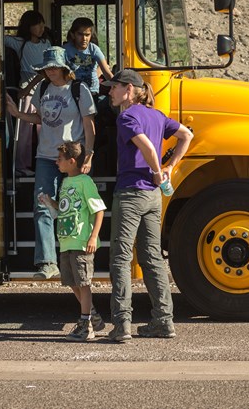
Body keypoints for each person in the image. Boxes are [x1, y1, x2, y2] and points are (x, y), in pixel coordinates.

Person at [101, 69, 193, 342]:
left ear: (128, 89)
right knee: (151, 257)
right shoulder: (156, 115)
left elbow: (148, 149)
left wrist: (156, 169)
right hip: (153, 196)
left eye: (113, 88)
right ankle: (163, 322)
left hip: (130, 193)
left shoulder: (127, 117)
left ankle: (121, 325)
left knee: (120, 258)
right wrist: (169, 169)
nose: (109, 92)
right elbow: (186, 135)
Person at [6, 47, 96, 280]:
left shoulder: (79, 89)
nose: (50, 71)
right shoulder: (43, 88)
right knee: (43, 205)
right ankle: (47, 262)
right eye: (46, 68)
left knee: (74, 206)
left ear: (65, 68)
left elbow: (89, 125)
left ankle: (77, 258)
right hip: (46, 155)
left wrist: (89, 155)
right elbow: (40, 118)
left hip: (72, 156)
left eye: (54, 67)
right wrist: (18, 115)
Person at [39, 141, 107, 341]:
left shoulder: (85, 182)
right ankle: (92, 316)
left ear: (71, 161)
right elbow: (64, 209)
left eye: (60, 159)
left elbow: (99, 210)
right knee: (72, 282)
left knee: (83, 283)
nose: (56, 162)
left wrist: (93, 236)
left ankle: (85, 324)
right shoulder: (66, 182)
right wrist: (50, 203)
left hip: (81, 242)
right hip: (67, 242)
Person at [5, 11, 52, 174]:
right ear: (28, 26)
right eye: (37, 24)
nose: (41, 27)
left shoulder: (46, 43)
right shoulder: (20, 43)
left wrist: (25, 88)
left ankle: (45, 162)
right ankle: (21, 166)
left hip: (37, 91)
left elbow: (44, 71)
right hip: (29, 93)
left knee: (43, 130)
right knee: (23, 133)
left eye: (42, 24)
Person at [63, 17, 114, 100]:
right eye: (80, 34)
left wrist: (118, 86)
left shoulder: (94, 49)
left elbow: (107, 73)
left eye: (87, 35)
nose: (84, 39)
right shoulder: (65, 50)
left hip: (92, 91)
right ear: (73, 34)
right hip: (72, 91)